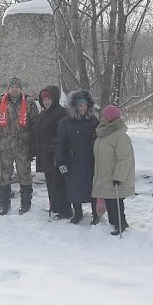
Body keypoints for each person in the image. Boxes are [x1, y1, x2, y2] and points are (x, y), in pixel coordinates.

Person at [0, 77, 39, 215]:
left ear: (21, 89)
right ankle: (4, 204)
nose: (14, 89)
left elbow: (35, 125)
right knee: (4, 176)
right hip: (5, 146)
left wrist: (35, 144)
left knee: (25, 175)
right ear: (8, 89)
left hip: (23, 146)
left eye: (17, 86)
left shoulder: (29, 104)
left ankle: (25, 203)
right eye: (12, 87)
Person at [53, 89, 99, 225]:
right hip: (72, 160)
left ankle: (95, 213)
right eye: (80, 105)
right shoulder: (66, 122)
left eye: (85, 105)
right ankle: (77, 213)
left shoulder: (93, 121)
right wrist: (60, 161)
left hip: (91, 159)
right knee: (73, 187)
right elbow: (59, 143)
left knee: (93, 187)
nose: (83, 108)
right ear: (74, 106)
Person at [92, 105, 135, 236]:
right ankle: (114, 223)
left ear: (110, 119)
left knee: (115, 202)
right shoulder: (103, 132)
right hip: (104, 173)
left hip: (114, 175)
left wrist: (119, 176)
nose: (101, 118)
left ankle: (121, 224)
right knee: (109, 201)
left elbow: (124, 158)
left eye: (104, 116)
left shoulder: (120, 136)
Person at [32, 85, 71, 219]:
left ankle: (65, 210)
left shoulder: (61, 112)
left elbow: (62, 135)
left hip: (56, 153)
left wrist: (57, 150)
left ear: (54, 99)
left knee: (59, 183)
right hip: (45, 153)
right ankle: (55, 206)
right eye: (44, 100)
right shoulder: (44, 113)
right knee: (50, 182)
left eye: (49, 99)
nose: (46, 102)